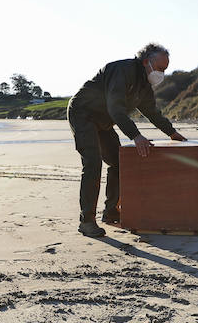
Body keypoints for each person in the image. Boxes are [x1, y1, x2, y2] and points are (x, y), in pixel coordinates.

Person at [67, 43, 187, 237]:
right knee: (92, 163)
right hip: (83, 113)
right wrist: (136, 136)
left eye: (165, 70)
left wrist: (172, 133)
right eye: (160, 69)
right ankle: (87, 221)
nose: (161, 74)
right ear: (147, 61)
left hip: (103, 122)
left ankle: (111, 211)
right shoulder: (121, 70)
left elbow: (151, 112)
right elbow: (115, 108)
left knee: (118, 162)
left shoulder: (144, 85)